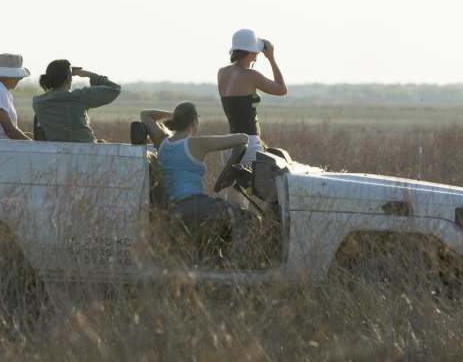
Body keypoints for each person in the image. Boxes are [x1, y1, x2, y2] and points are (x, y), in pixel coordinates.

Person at [140, 102, 260, 265]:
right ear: (194, 123)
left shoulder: (162, 142)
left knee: (213, 233)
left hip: (172, 209)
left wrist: (174, 115)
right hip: (195, 205)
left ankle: (214, 264)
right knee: (249, 219)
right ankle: (235, 266)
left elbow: (145, 114)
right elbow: (242, 138)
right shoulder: (197, 143)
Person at [217, 29, 287, 166]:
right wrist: (271, 58)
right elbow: (282, 89)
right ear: (253, 52)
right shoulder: (251, 75)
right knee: (265, 186)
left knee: (242, 187)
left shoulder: (222, 73)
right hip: (248, 145)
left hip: (229, 144)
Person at [33, 60, 121, 143]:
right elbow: (115, 89)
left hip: (57, 152)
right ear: (69, 78)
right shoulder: (79, 96)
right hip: (86, 150)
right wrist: (89, 74)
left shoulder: (38, 103)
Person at [0, 53, 32, 140]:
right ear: (9, 75)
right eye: (19, 76)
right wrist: (33, 145)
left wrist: (30, 138)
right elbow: (9, 130)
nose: (20, 79)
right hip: (2, 147)